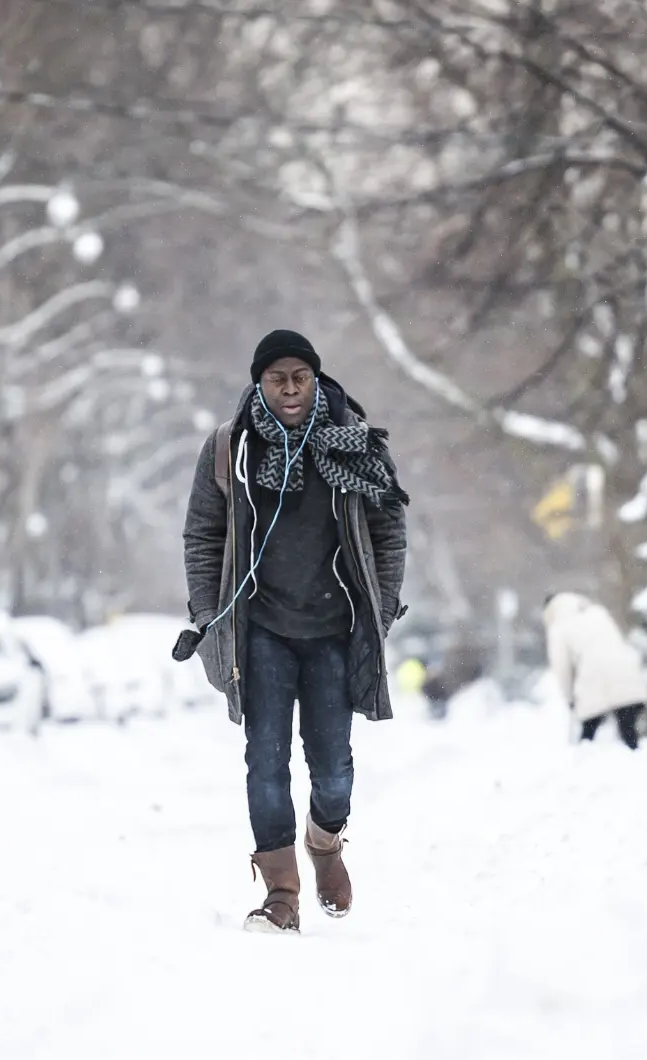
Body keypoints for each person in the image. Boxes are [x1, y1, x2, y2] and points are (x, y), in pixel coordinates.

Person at [182, 329, 408, 934]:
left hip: (334, 630)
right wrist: (210, 618)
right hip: (262, 631)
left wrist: (379, 613)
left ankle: (325, 843)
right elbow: (203, 535)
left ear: (315, 380)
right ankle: (281, 892)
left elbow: (389, 534)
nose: (289, 388)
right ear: (259, 382)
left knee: (334, 771)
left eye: (299, 377)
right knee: (265, 761)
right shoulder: (230, 450)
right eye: (276, 377)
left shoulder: (356, 445)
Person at [541, 592, 647, 749]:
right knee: (628, 730)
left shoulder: (558, 627)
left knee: (588, 731)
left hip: (593, 678)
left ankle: (581, 764)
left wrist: (570, 698)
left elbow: (562, 668)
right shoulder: (597, 612)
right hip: (625, 671)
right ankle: (637, 761)